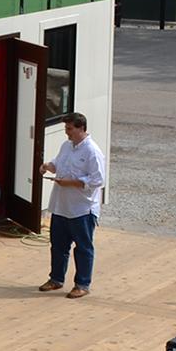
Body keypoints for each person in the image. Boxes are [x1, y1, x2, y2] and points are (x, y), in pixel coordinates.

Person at [40, 111, 106, 297]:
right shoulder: (67, 146)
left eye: (69, 129)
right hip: (62, 206)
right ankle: (56, 279)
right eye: (66, 128)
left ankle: (82, 284)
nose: (66, 132)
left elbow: (98, 180)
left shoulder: (92, 151)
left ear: (80, 128)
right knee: (58, 245)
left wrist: (71, 183)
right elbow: (58, 163)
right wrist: (47, 167)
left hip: (82, 209)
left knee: (83, 247)